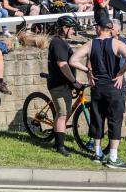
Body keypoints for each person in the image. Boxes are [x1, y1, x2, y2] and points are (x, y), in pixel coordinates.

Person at [69, 18, 126, 169]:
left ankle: (98, 154)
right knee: (115, 120)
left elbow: (73, 60)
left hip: (97, 86)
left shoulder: (90, 44)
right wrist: (120, 74)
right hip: (113, 86)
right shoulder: (118, 43)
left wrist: (88, 71)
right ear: (110, 29)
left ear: (99, 28)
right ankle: (113, 158)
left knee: (97, 118)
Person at [47, 15, 83, 156]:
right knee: (62, 114)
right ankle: (59, 147)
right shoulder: (58, 43)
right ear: (65, 28)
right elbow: (62, 65)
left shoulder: (62, 42)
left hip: (64, 84)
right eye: (73, 29)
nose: (74, 32)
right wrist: (74, 81)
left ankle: (58, 142)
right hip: (58, 85)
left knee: (65, 113)